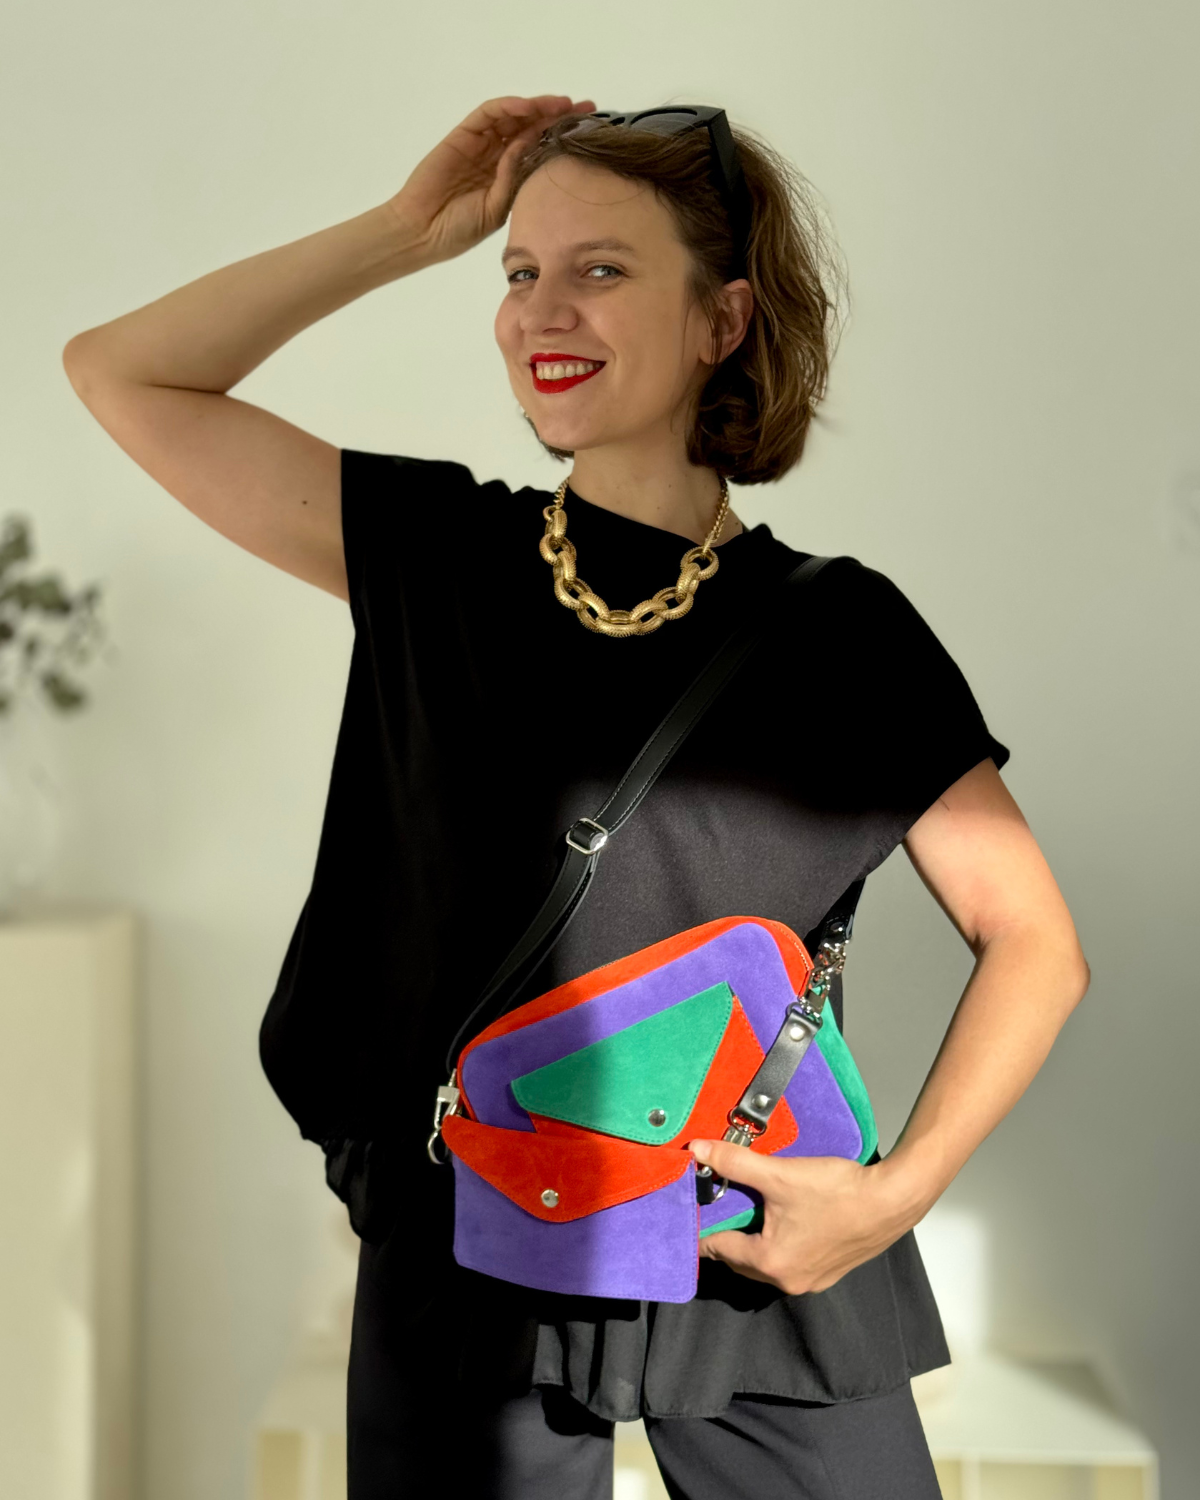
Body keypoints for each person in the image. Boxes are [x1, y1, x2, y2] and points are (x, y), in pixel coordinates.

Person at [63, 95, 1090, 1500]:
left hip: (745, 1230)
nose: (541, 311)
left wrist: (888, 1198)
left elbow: (1035, 939)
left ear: (723, 319)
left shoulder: (842, 637)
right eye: (519, 272)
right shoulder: (436, 558)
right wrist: (405, 232)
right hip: (474, 1221)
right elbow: (124, 374)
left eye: (600, 268)